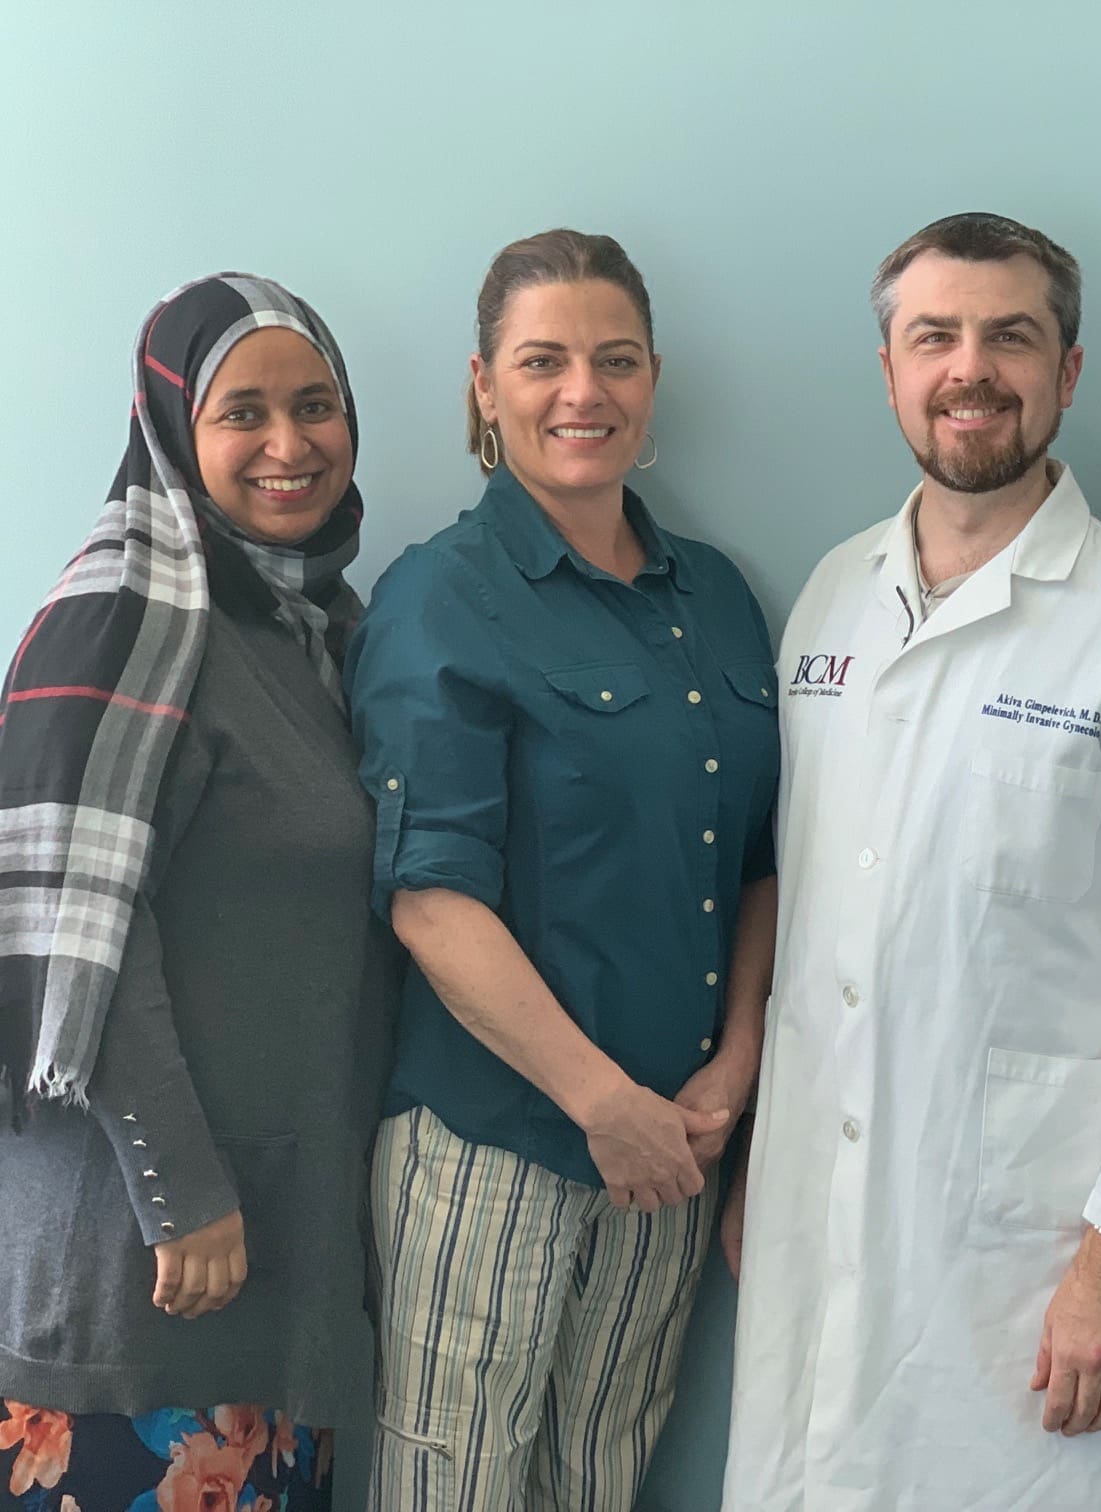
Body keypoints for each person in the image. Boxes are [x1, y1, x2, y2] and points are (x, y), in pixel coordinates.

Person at [718, 211, 1101, 1511]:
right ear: (891, 371)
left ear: (1067, 371)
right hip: (816, 1213)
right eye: (935, 338)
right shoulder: (831, 599)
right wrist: (763, 1170)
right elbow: (812, 917)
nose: (971, 369)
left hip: (1029, 1255)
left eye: (1010, 338)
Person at [346, 229, 779, 1511]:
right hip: (499, 1141)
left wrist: (738, 1062)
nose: (582, 392)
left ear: (653, 381)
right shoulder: (439, 594)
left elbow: (762, 858)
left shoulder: (720, 596)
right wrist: (602, 1103)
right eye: (542, 362)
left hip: (677, 1147)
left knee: (599, 1482)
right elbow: (432, 900)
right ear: (486, 386)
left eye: (615, 359)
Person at [0, 274, 393, 1509]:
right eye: (243, 413)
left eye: (316, 405)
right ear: (174, 429)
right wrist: (181, 1194)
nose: (290, 445)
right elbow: (78, 940)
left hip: (278, 1253)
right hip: (144, 1269)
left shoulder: (319, 631)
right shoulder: (120, 622)